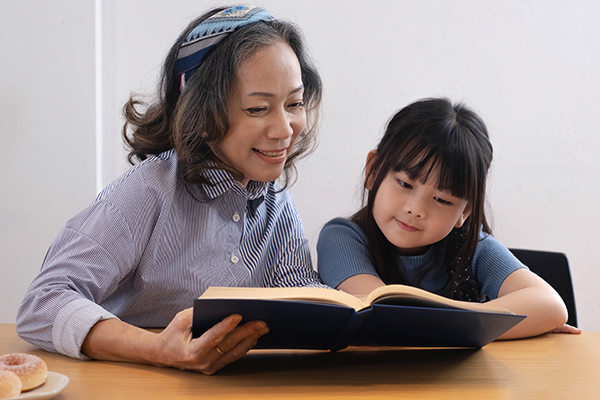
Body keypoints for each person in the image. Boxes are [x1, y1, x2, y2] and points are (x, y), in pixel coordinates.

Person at [17, 5, 326, 375]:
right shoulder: (149, 191)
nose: (285, 129)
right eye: (258, 108)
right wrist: (157, 349)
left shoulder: (280, 207)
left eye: (294, 103)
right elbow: (42, 303)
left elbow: (303, 308)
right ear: (202, 113)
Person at [317, 98, 581, 339]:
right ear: (373, 171)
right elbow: (381, 312)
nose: (416, 209)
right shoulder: (342, 238)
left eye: (442, 200)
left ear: (464, 212)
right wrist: (491, 320)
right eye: (405, 184)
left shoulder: (473, 246)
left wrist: (467, 321)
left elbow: (550, 306)